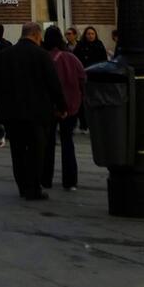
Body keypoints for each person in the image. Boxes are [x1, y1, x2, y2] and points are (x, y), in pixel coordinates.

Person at [0, 21, 67, 201]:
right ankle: (33, 188)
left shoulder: (5, 55)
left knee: (17, 151)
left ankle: (22, 186)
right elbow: (53, 84)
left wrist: (3, 104)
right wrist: (62, 106)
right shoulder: (41, 55)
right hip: (37, 113)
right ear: (36, 35)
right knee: (36, 151)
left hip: (12, 113)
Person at [41, 26, 86, 191]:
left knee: (48, 143)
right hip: (71, 106)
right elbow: (83, 78)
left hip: (49, 106)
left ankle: (46, 179)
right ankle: (70, 181)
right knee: (68, 142)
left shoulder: (44, 58)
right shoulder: (71, 58)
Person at [73, 26, 108, 132]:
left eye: (92, 34)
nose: (90, 36)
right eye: (88, 34)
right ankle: (84, 123)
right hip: (84, 77)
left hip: (96, 77)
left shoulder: (99, 45)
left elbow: (104, 61)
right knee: (83, 102)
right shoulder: (80, 46)